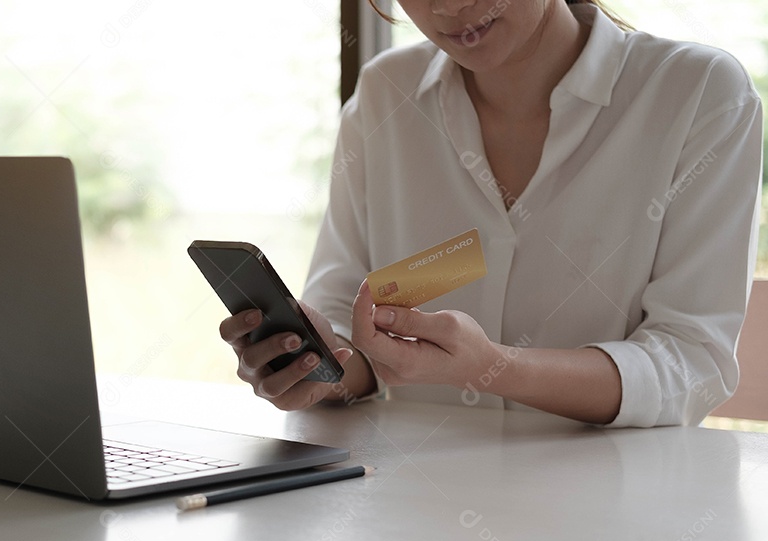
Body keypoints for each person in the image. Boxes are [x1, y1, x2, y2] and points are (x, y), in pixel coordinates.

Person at [220, 0, 763, 427]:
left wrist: (492, 368)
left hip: (615, 510)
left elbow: (691, 363)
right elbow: (348, 326)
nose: (450, 7)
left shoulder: (698, 93)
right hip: (408, 506)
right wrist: (317, 366)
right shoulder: (387, 94)